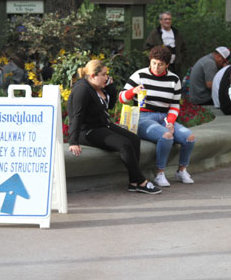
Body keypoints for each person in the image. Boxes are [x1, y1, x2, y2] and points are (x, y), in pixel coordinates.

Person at [67, 59, 161, 194]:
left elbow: (109, 106)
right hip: (87, 131)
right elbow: (77, 116)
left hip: (103, 125)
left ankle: (133, 182)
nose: (107, 77)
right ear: (93, 75)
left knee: (134, 139)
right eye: (104, 75)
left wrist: (110, 88)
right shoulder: (82, 90)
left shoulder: (97, 87)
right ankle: (141, 181)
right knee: (124, 144)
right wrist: (73, 141)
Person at [120, 46, 196, 187]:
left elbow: (174, 105)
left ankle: (181, 170)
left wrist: (171, 122)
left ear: (167, 65)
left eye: (160, 64)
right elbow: (121, 98)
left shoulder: (174, 79)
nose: (156, 67)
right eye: (153, 63)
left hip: (164, 117)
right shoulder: (139, 75)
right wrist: (133, 91)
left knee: (189, 137)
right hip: (143, 117)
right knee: (166, 136)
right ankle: (160, 173)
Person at [144, 11, 187, 76]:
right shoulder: (155, 34)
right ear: (160, 21)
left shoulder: (176, 33)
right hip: (160, 66)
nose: (168, 21)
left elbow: (183, 49)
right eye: (165, 19)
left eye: (169, 19)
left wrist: (180, 59)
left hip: (175, 66)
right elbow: (147, 49)